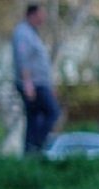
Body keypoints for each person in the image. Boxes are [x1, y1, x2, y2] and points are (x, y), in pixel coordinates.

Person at [12, 4, 60, 154]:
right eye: (41, 15)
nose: (43, 19)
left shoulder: (33, 33)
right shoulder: (23, 33)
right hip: (34, 84)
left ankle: (30, 153)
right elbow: (23, 59)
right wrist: (28, 83)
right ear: (32, 15)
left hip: (40, 83)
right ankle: (36, 145)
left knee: (34, 118)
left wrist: (50, 86)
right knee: (53, 112)